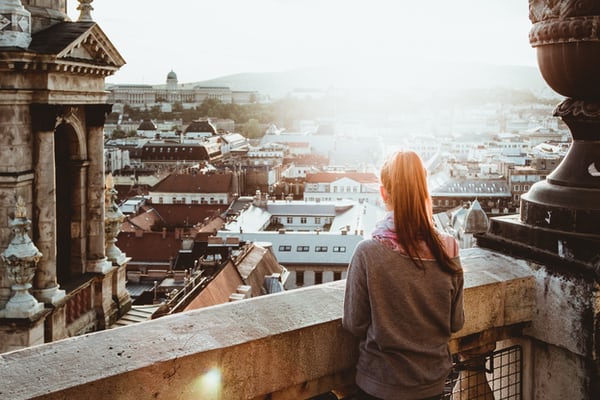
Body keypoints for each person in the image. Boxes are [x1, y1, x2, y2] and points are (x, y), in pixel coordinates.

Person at [343, 150, 464, 400]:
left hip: (380, 383)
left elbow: (354, 323)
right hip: (432, 384)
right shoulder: (449, 248)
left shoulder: (368, 252)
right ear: (424, 191)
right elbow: (456, 323)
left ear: (384, 193)